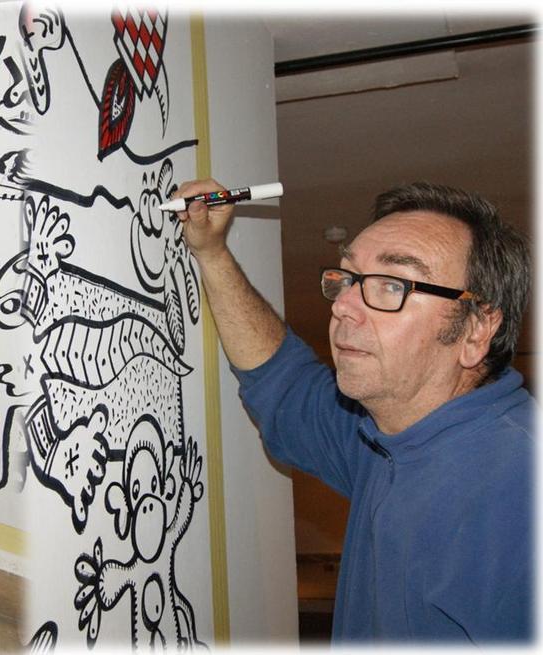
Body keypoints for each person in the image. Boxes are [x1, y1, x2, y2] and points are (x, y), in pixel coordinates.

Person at [176, 179, 534, 643]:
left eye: (392, 285)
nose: (343, 306)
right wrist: (211, 253)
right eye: (348, 279)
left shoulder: (520, 491)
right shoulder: (378, 436)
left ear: (477, 329)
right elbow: (285, 383)